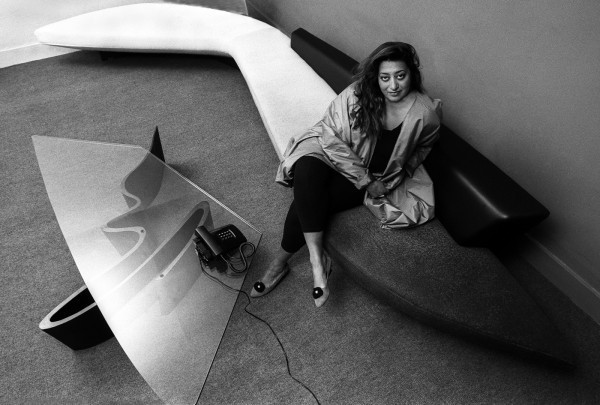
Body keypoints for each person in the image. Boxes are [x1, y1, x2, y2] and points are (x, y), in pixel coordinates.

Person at [251, 41, 442, 307]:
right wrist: (364, 180)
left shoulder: (425, 113)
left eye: (401, 76)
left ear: (413, 74)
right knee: (307, 168)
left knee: (308, 200)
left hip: (371, 176)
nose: (393, 86)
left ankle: (279, 263)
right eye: (385, 78)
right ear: (376, 77)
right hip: (330, 152)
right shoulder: (356, 94)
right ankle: (317, 260)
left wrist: (403, 169)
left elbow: (426, 144)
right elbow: (330, 137)